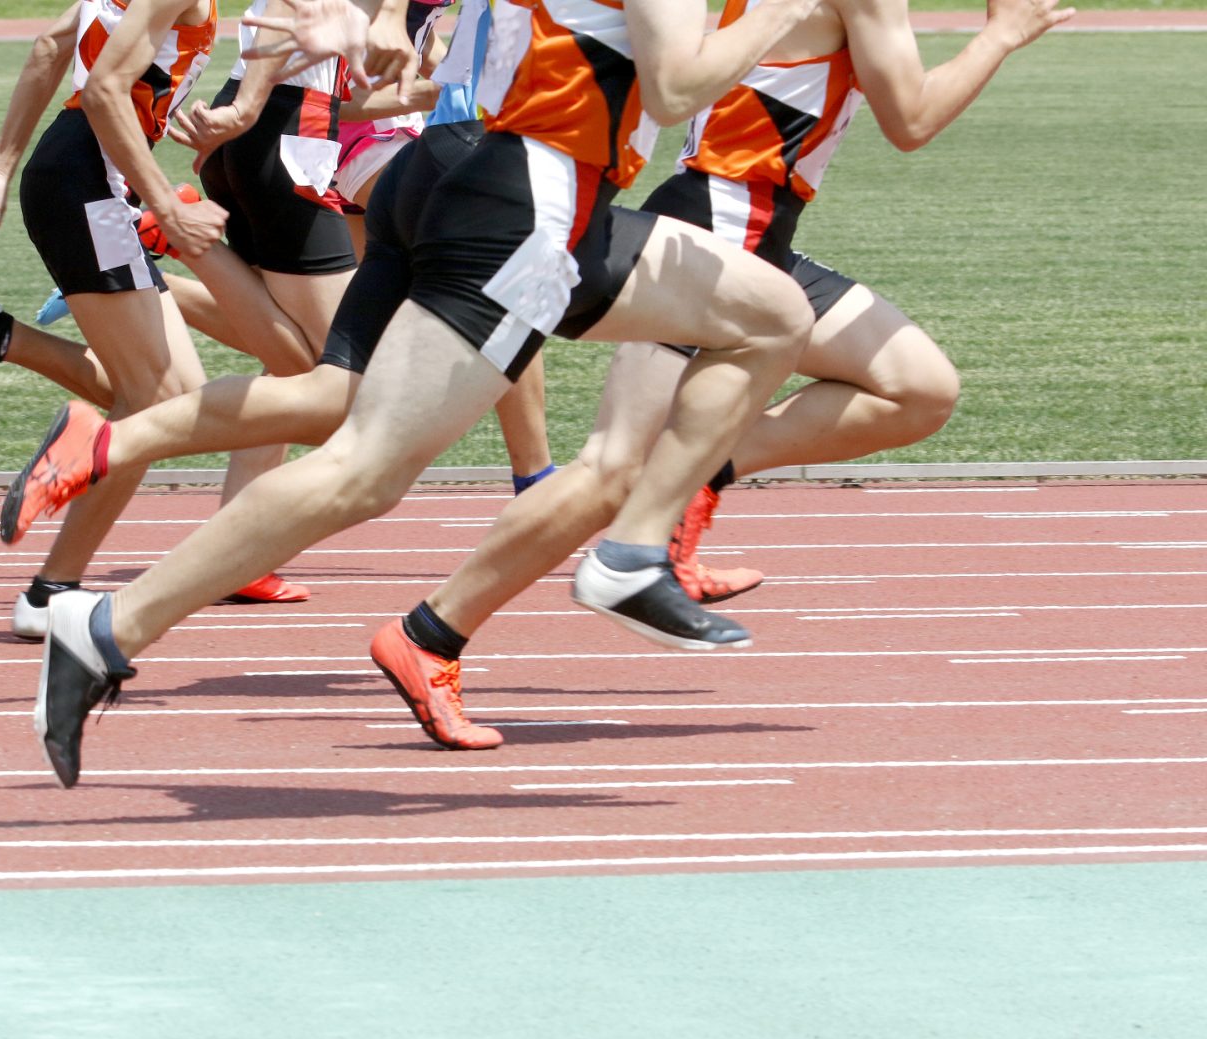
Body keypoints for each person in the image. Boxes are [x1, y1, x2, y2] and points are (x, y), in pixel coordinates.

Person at [3, 0, 829, 786]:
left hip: (496, 178)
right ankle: (108, 625)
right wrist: (780, 15)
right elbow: (676, 86)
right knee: (365, 469)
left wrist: (372, 26)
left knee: (770, 312)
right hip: (528, 206)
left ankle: (634, 549)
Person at [357, 0, 1075, 747]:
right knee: (610, 470)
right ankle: (433, 633)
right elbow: (912, 120)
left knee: (919, 388)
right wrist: (1002, 36)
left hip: (763, 229)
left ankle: (695, 474)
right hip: (718, 224)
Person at [0, 0, 551, 554]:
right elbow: (107, 85)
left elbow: (55, 46)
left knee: (302, 373)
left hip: (285, 133)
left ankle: (213, 548)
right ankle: (534, 478)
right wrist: (239, 118)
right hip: (291, 136)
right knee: (340, 387)